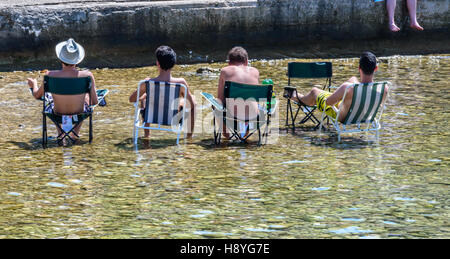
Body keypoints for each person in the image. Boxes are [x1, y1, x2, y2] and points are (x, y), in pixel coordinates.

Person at [27, 38, 98, 143]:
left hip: (57, 114)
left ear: (60, 58)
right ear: (78, 60)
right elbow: (95, 102)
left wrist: (34, 85)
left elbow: (37, 95)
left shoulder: (49, 75)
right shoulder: (87, 75)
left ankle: (60, 132)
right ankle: (74, 133)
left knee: (49, 100)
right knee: (86, 99)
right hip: (79, 113)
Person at [288, 52, 389, 122]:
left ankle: (297, 97)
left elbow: (328, 103)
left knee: (314, 91)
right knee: (353, 79)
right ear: (375, 68)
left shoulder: (348, 88)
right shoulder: (384, 88)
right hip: (365, 116)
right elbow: (379, 105)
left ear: (359, 68)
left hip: (344, 117)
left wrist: (339, 97)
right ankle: (338, 95)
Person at [129, 45, 196, 139]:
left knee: (145, 98)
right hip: (173, 118)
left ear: (157, 63)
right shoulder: (181, 83)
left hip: (151, 116)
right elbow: (191, 105)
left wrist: (144, 97)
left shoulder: (147, 82)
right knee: (192, 99)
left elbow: (131, 99)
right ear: (173, 63)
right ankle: (189, 137)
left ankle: (147, 135)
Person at [217, 46, 260, 138]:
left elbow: (220, 98)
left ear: (229, 62)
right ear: (247, 61)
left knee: (217, 102)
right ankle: (245, 136)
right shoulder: (255, 71)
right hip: (253, 117)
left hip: (232, 118)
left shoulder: (225, 71)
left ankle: (226, 135)